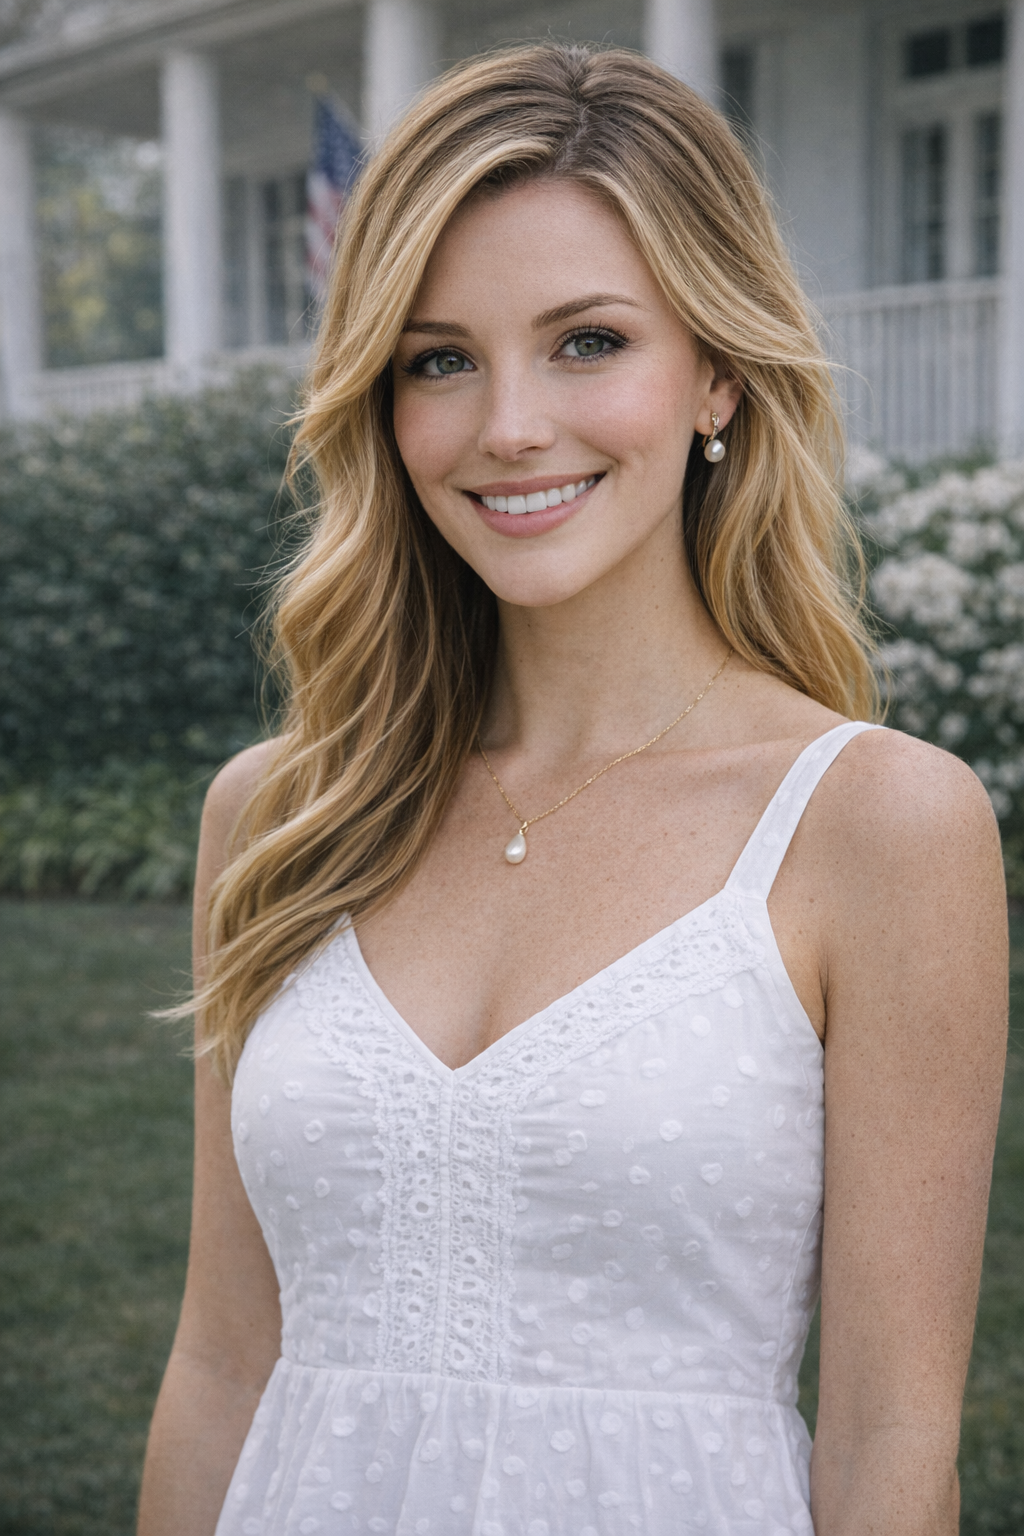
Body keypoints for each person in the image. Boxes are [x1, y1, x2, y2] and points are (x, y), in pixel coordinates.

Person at [137, 42, 1007, 1536]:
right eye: (441, 358)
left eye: (590, 341)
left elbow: (887, 1446)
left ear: (717, 373)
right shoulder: (276, 815)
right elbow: (222, 1362)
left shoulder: (877, 825)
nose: (510, 426)